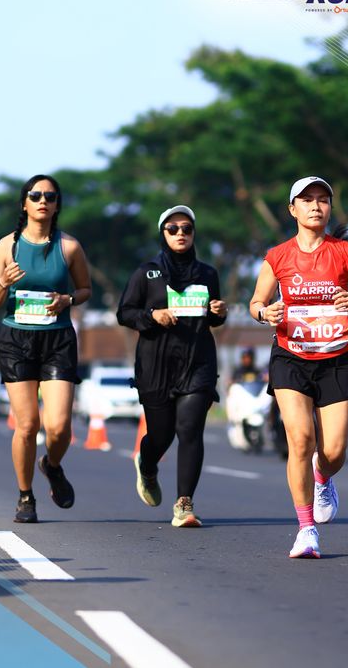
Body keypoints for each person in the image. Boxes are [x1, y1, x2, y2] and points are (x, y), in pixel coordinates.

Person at [249, 176, 348, 558]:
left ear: (330, 208)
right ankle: (306, 530)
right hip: (291, 355)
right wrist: (265, 313)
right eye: (307, 200)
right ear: (293, 209)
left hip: (336, 356)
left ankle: (323, 476)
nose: (316, 206)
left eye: (322, 199)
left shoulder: (345, 253)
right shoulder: (278, 256)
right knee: (301, 439)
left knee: (333, 451)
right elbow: (255, 303)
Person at [0, 174, 91, 523]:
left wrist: (68, 299)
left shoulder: (69, 247)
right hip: (17, 340)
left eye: (50, 196)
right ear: (24, 203)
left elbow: (85, 289)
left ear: (57, 205)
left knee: (58, 427)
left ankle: (52, 465)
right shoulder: (7, 247)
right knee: (28, 425)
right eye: (35, 195)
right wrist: (3, 281)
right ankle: (25, 496)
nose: (42, 200)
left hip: (57, 338)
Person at [117, 205, 227, 527]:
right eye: (173, 229)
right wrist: (152, 315)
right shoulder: (146, 273)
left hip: (197, 361)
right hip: (156, 365)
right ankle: (147, 464)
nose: (181, 234)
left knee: (190, 428)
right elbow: (125, 313)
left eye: (187, 229)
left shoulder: (207, 274)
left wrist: (219, 312)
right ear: (163, 234)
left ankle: (184, 504)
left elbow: (212, 317)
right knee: (161, 434)